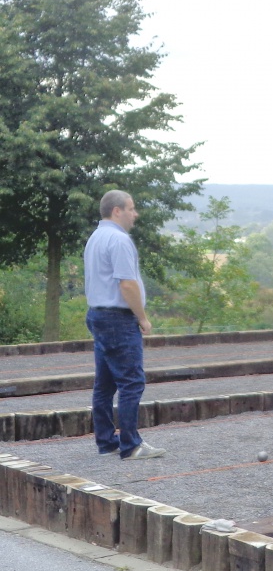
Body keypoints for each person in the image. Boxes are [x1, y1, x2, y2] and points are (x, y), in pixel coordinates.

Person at [83, 190, 167, 460]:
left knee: (105, 385)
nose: (135, 214)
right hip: (118, 319)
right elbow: (127, 284)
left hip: (98, 315)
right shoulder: (119, 240)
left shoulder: (96, 237)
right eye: (131, 209)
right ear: (117, 211)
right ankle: (131, 445)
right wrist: (142, 317)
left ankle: (107, 442)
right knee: (132, 382)